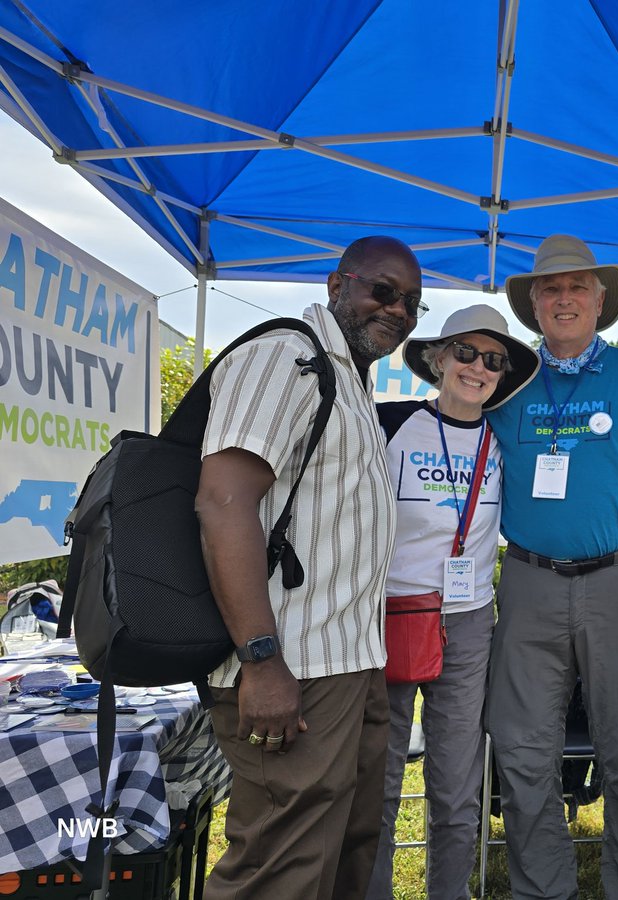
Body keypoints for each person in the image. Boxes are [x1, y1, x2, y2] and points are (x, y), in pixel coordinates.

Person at [195, 235, 424, 900]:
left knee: (338, 857)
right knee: (281, 869)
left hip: (348, 664)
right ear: (337, 284)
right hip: (291, 668)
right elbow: (222, 502)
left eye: (411, 302)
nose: (398, 310)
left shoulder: (346, 376)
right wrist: (262, 661)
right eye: (383, 290)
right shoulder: (286, 356)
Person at [485, 234, 618, 899]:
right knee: (520, 752)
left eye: (577, 287)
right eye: (550, 288)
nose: (563, 298)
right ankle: (545, 890)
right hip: (529, 582)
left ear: (600, 300)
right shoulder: (507, 381)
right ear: (534, 305)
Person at [366, 305, 539, 900]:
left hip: (467, 623)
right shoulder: (388, 425)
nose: (478, 368)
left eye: (494, 361)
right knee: (379, 779)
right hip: (389, 615)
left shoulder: (507, 441)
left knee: (456, 780)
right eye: (465, 352)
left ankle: (450, 892)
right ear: (438, 359)